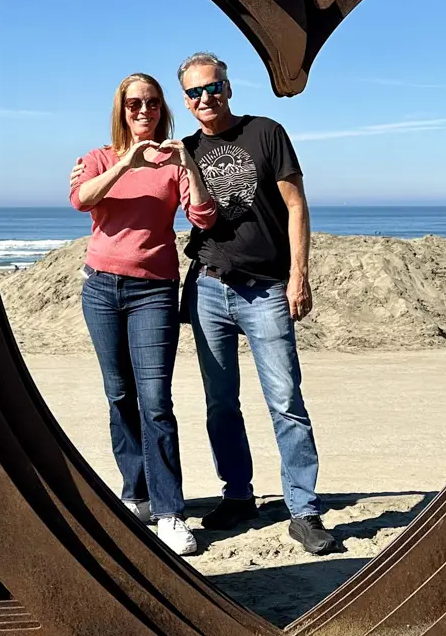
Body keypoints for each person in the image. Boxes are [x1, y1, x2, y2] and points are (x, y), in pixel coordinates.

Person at [175, 51, 335, 556]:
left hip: (266, 289)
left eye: (214, 87)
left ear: (228, 87)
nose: (207, 97)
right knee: (221, 403)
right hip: (208, 286)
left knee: (286, 401)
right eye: (196, 91)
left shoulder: (266, 132)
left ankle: (303, 511)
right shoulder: (185, 149)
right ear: (185, 99)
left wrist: (299, 277)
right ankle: (238, 496)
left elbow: (296, 205)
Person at [68, 72, 217, 556]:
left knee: (155, 401)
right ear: (121, 108)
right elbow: (80, 200)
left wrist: (188, 164)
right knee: (119, 395)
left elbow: (203, 216)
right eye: (134, 103)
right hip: (101, 289)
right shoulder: (98, 158)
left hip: (153, 291)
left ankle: (170, 511)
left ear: (162, 108)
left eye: (151, 103)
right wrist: (125, 164)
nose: (143, 110)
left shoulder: (174, 161)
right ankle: (137, 497)